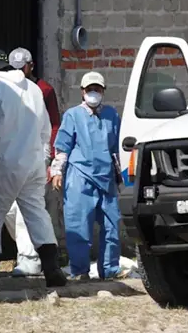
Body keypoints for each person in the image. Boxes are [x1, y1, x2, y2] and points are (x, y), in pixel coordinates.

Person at [0, 48, 67, 292]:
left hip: (4, 165)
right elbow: (45, 130)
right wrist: (43, 160)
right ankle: (52, 269)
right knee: (37, 213)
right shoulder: (33, 89)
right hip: (33, 164)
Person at [49, 71, 122, 281]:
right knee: (79, 225)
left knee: (111, 226)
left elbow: (116, 149)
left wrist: (120, 176)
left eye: (97, 89)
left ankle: (109, 271)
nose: (93, 93)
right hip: (80, 177)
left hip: (106, 177)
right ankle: (80, 271)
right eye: (90, 89)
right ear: (82, 92)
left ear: (103, 91)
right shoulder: (73, 115)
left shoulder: (111, 115)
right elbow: (63, 147)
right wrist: (57, 171)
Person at [0, 47, 62, 278]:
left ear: (31, 66)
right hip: (11, 155)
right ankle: (34, 249)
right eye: (14, 67)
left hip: (35, 155)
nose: (19, 71)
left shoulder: (43, 90)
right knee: (9, 209)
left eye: (22, 67)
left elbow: (53, 124)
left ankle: (29, 259)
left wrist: (50, 157)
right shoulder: (6, 89)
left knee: (26, 207)